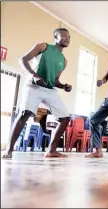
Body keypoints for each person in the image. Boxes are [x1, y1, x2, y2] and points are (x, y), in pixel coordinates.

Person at [2, 28, 72, 159]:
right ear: (55, 37)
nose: (67, 38)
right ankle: (9, 150)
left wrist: (63, 86)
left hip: (49, 89)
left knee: (65, 118)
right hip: (33, 86)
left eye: (69, 36)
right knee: (25, 113)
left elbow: (55, 80)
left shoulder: (64, 60)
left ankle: (51, 150)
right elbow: (23, 59)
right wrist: (34, 75)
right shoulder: (43, 46)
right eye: (63, 35)